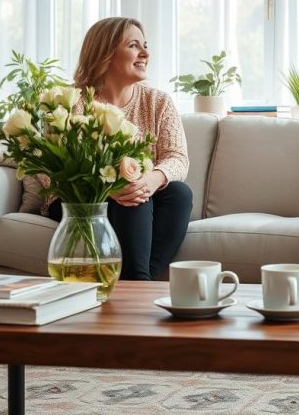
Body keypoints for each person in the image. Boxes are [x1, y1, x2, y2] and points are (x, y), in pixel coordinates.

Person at [50, 17, 192, 281]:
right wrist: (108, 187)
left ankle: (136, 283)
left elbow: (177, 157)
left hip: (138, 194)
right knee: (131, 195)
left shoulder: (158, 102)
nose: (145, 54)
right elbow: (55, 169)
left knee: (178, 194)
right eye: (134, 45)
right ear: (104, 53)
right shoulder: (72, 102)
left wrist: (151, 179)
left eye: (145, 46)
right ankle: (139, 284)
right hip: (79, 198)